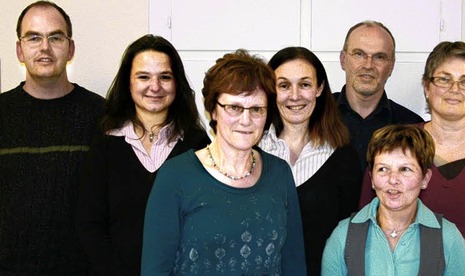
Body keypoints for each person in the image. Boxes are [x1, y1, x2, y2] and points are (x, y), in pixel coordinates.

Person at [359, 41, 465, 276]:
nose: (454, 89)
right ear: (426, 86)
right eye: (444, 79)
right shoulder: (395, 145)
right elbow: (367, 223)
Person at [141, 49, 306, 275]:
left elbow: (294, 263)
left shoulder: (279, 173)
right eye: (234, 108)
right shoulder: (176, 177)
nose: (246, 120)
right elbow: (155, 269)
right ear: (213, 110)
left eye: (257, 109)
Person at [75, 34, 210, 276]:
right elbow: (89, 224)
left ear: (176, 83)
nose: (155, 87)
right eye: (143, 77)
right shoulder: (106, 141)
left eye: (165, 77)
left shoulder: (197, 144)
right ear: (128, 83)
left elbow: (206, 224)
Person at [0, 2, 104, 274]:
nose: (44, 47)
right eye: (33, 37)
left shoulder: (102, 115)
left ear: (70, 49)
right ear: (19, 50)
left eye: (55, 37)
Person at [259, 46, 362, 275]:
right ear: (271, 90)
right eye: (284, 85)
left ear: (319, 88)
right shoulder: (252, 152)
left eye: (304, 84)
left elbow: (352, 238)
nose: (295, 95)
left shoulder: (344, 157)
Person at [322, 125, 465, 275]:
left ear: (425, 179)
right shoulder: (343, 235)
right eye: (383, 169)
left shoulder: (448, 238)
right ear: (372, 179)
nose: (393, 180)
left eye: (405, 169)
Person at [334, 20, 424, 170]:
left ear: (391, 66)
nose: (368, 65)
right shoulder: (316, 115)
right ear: (343, 60)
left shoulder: (411, 126)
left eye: (379, 57)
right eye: (359, 54)